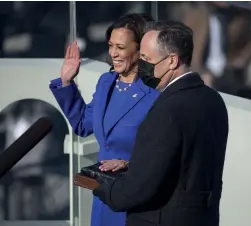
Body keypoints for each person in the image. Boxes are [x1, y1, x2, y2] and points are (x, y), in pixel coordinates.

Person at [93, 20, 229, 226]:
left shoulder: (166, 109)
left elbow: (139, 189)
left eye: (147, 59)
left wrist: (101, 186)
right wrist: (133, 165)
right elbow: (187, 162)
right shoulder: (213, 99)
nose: (141, 66)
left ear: (172, 61)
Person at [49, 13, 160, 226]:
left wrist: (130, 163)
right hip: (104, 199)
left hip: (136, 200)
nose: (113, 54)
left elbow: (165, 151)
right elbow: (83, 124)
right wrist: (66, 82)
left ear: (140, 51)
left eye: (121, 47)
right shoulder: (106, 82)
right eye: (110, 46)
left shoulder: (155, 93)